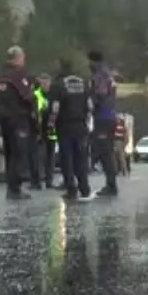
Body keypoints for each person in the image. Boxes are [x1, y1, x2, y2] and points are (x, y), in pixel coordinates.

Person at [48, 59, 95, 202]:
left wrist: (51, 125)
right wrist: (87, 123)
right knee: (80, 158)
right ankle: (85, 189)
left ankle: (71, 189)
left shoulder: (58, 85)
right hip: (80, 125)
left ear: (61, 68)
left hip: (64, 126)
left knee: (66, 158)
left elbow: (54, 108)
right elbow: (90, 106)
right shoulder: (83, 83)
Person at [0, 45, 36, 200]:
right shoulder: (17, 75)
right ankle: (15, 189)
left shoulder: (0, 76)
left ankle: (10, 186)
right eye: (23, 58)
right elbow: (27, 96)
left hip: (3, 119)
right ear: (17, 58)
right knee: (18, 153)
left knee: (9, 153)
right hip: (18, 119)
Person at [87, 50, 118, 197]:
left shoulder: (101, 76)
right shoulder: (108, 74)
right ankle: (110, 183)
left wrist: (89, 103)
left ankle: (111, 185)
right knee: (106, 151)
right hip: (109, 116)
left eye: (89, 62)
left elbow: (100, 94)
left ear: (93, 61)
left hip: (103, 117)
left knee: (105, 152)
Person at [34, 73, 58, 188]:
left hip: (51, 127)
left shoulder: (53, 94)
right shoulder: (37, 94)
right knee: (39, 154)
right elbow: (36, 111)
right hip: (39, 127)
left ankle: (49, 180)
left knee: (50, 153)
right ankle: (37, 180)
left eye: (47, 82)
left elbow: (56, 110)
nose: (45, 85)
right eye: (43, 83)